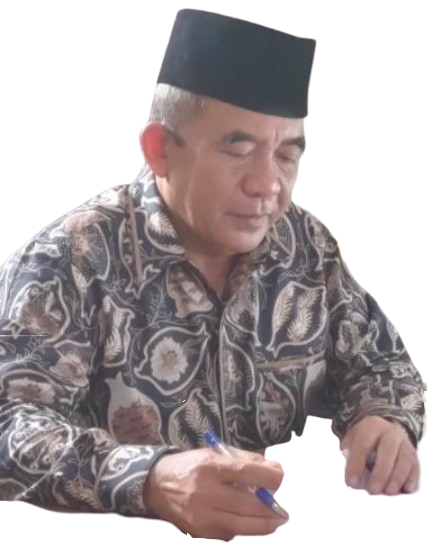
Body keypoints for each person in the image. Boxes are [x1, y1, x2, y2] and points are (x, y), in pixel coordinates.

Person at [0, 7, 425, 540]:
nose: (267, 185)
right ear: (160, 150)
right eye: (237, 149)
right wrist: (150, 479)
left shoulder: (303, 244)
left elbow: (380, 361)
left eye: (287, 155)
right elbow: (10, 427)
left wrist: (382, 417)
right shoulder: (68, 261)